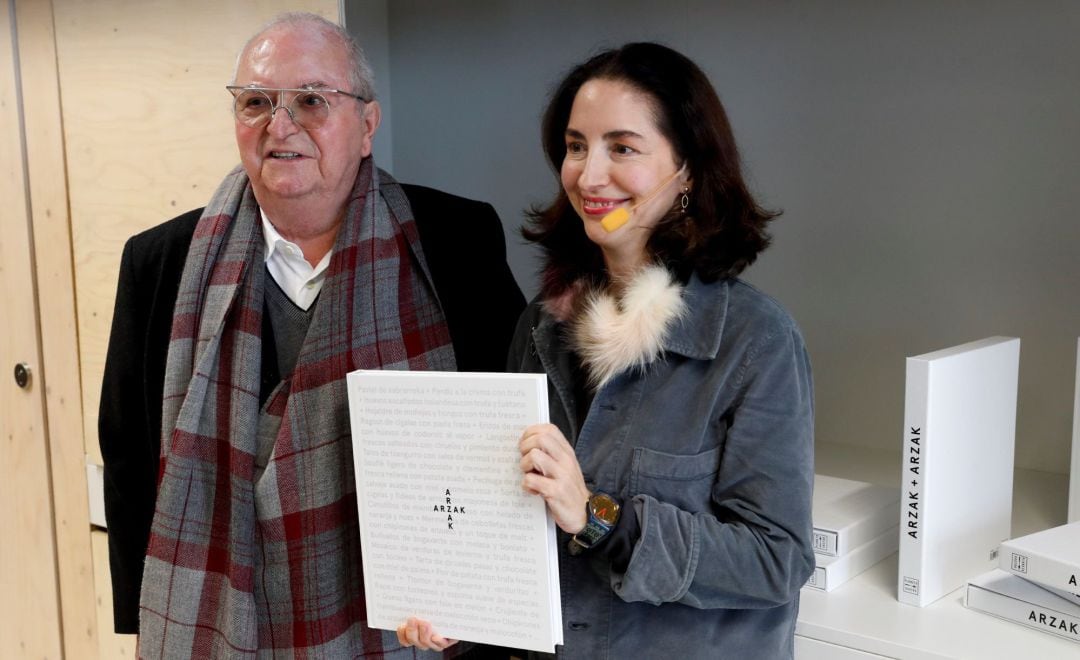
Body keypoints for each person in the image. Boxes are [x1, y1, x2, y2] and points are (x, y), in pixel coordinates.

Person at [98, 12, 524, 657]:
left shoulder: (455, 239)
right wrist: (149, 615)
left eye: (311, 100)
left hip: (408, 619)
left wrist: (484, 597)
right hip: (219, 617)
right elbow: (128, 452)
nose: (280, 125)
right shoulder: (161, 262)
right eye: (257, 102)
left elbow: (504, 430)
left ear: (367, 126)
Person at [400, 42, 814, 659]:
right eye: (575, 146)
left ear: (689, 169)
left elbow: (775, 560)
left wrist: (599, 518)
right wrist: (464, 608)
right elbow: (512, 521)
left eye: (622, 148)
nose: (589, 176)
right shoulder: (540, 326)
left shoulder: (756, 341)